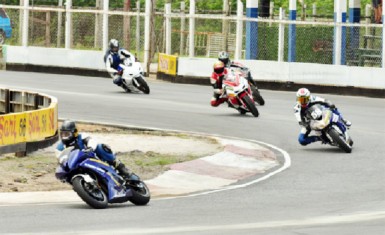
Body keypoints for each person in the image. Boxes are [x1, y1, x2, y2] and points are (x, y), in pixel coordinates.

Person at [56, 120, 133, 180]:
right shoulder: (60, 147)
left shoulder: (81, 136)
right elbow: (60, 158)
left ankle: (120, 167)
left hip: (90, 157)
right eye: (63, 134)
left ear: (74, 133)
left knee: (101, 147)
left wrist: (90, 148)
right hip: (76, 165)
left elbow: (91, 141)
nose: (64, 137)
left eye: (67, 134)